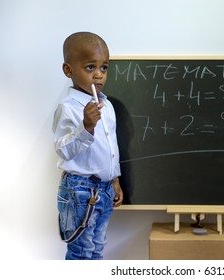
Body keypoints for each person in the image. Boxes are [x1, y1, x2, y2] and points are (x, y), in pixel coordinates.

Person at [52, 32, 123, 260]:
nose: (99, 76)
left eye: (104, 68)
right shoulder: (69, 108)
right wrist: (86, 127)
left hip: (104, 189)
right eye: (90, 67)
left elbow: (111, 147)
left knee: (97, 247)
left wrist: (115, 180)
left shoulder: (106, 105)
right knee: (81, 252)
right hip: (80, 190)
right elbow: (63, 150)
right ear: (68, 70)